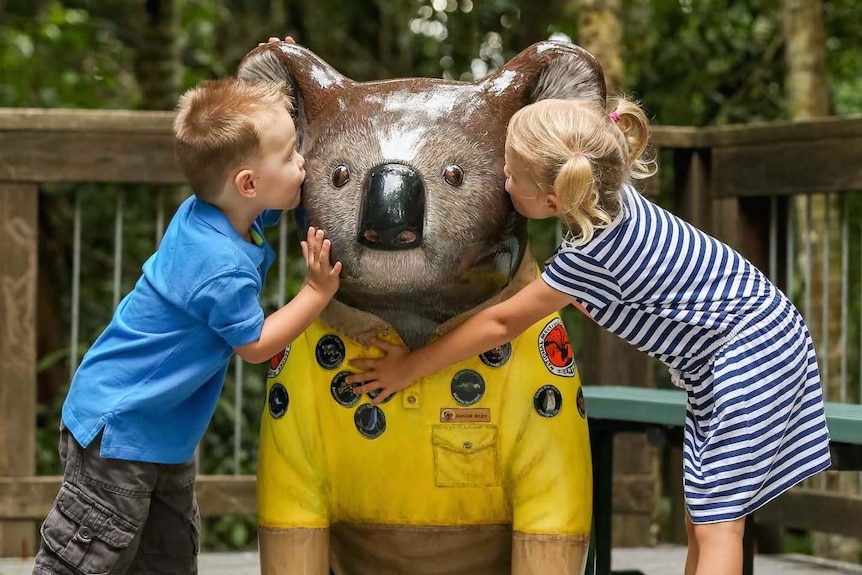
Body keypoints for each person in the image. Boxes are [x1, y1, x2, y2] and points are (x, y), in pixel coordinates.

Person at [345, 97, 831, 575]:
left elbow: (502, 323)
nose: (503, 180)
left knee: (719, 524)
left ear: (553, 200)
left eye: (511, 174)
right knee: (703, 512)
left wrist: (409, 367)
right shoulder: (609, 197)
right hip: (738, 347)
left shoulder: (595, 255)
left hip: (751, 349)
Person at [33, 77, 341, 575]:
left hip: (160, 433)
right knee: (86, 561)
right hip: (122, 430)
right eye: (291, 156)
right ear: (247, 184)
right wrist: (315, 293)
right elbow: (257, 344)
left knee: (167, 559)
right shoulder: (217, 264)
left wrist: (281, 79)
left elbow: (268, 173)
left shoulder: (220, 213)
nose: (302, 163)